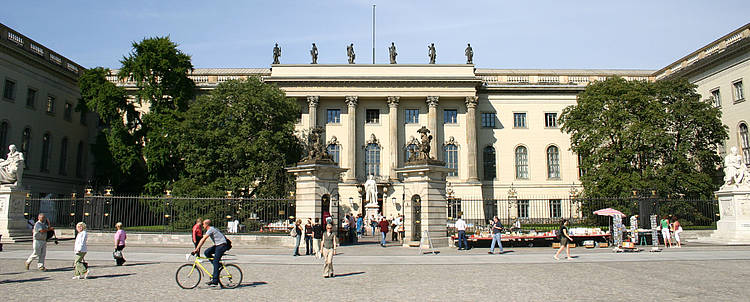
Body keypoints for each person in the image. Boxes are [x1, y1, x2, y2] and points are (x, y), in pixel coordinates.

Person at [193, 219, 228, 287]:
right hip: (218, 245)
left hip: (222, 245)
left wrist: (196, 249)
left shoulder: (210, 229)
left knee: (215, 261)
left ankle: (215, 280)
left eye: (203, 224)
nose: (202, 225)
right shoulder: (211, 229)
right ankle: (218, 265)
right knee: (207, 252)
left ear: (206, 224)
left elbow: (203, 239)